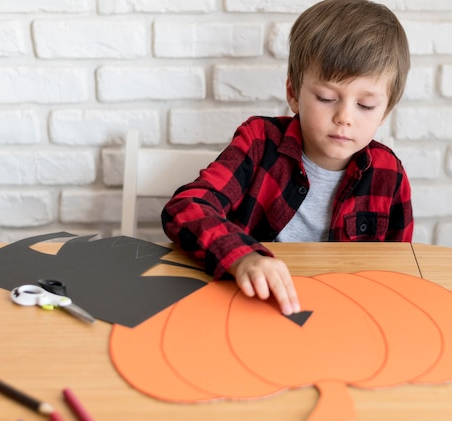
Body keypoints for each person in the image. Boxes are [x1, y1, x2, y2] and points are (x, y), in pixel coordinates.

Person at [161, 0, 413, 316]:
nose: (344, 117)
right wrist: (243, 257)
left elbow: (398, 268)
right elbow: (186, 207)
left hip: (343, 314)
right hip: (253, 307)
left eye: (366, 106)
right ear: (293, 94)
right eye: (326, 98)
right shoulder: (258, 141)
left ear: (385, 112)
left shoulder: (390, 173)